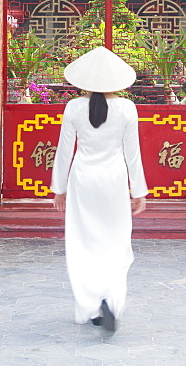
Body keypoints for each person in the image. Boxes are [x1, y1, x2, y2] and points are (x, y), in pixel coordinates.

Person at [51, 46, 148, 335]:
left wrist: (59, 188)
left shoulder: (73, 108)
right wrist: (138, 191)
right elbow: (133, 154)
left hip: (83, 181)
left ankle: (90, 307)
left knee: (83, 242)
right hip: (114, 182)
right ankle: (111, 302)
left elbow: (65, 151)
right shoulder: (127, 108)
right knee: (115, 242)